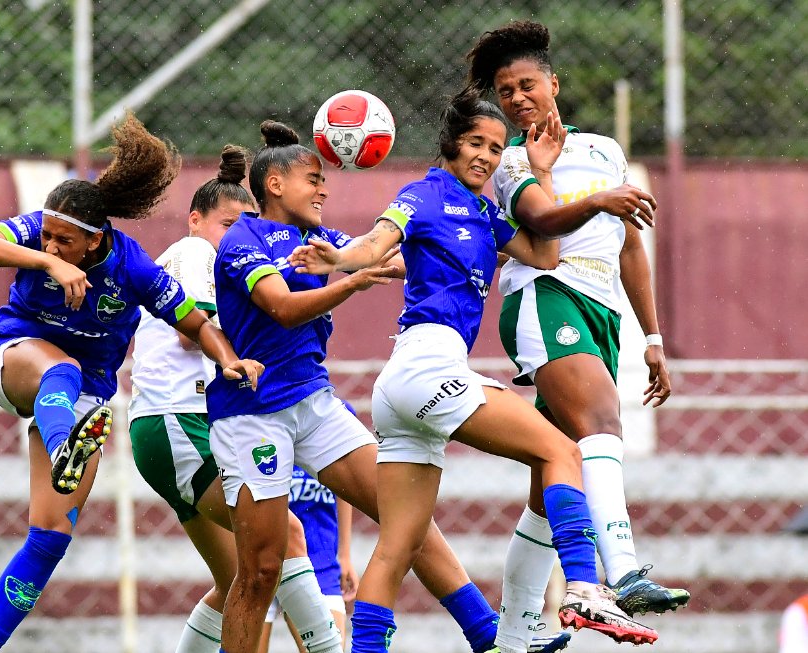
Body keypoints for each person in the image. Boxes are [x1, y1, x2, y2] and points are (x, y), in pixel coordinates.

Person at [287, 86, 659, 652]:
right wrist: (338, 260)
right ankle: (584, 586)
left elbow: (546, 255)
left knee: (398, 544)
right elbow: (373, 242)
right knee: (562, 451)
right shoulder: (423, 194)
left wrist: (539, 170)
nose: (485, 156)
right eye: (473, 144)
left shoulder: (487, 212)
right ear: (450, 146)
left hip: (404, 389)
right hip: (425, 365)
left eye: (494, 146)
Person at [208, 119, 525, 653]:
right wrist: (352, 282)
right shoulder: (244, 238)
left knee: (404, 515)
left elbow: (388, 256)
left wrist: (455, 245)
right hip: (252, 415)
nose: (324, 189)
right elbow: (283, 308)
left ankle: (485, 633)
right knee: (261, 569)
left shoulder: (320, 240)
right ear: (276, 185)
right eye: (313, 179)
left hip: (312, 403)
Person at [0, 114, 263, 653]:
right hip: (16, 361)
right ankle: (61, 446)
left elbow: (195, 323)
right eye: (47, 234)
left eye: (65, 242)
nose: (52, 243)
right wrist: (46, 260)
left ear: (96, 242)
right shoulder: (40, 234)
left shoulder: (135, 269)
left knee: (49, 539)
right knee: (61, 370)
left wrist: (230, 359)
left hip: (87, 398)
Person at [466, 19, 690, 651]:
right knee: (602, 423)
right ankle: (619, 573)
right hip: (546, 297)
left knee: (550, 483)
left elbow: (630, 249)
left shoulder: (602, 152)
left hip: (603, 313)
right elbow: (540, 221)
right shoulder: (505, 160)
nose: (516, 98)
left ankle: (515, 632)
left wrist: (653, 339)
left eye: (526, 84)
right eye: (505, 91)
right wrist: (600, 202)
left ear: (553, 83)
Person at [128, 145, 346, 653]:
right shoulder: (195, 253)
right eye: (227, 224)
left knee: (239, 582)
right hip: (179, 420)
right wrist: (271, 316)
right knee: (287, 534)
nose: (236, 237)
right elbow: (193, 332)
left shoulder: (218, 254)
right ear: (194, 220)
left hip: (173, 427)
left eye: (245, 225)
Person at [257, 465, 357, 653]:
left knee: (330, 649)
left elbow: (345, 485)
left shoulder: (330, 439)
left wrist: (345, 555)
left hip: (320, 559)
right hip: (260, 560)